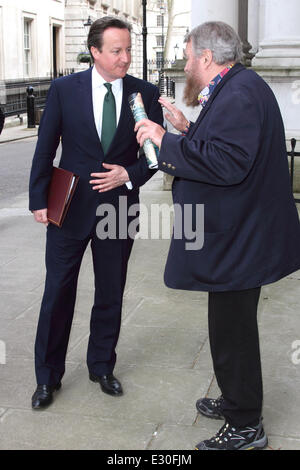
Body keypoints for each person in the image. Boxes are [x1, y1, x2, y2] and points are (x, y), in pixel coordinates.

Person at [135, 21, 300, 451]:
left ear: (206, 57)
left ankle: (246, 426)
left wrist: (162, 142)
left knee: (235, 334)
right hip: (238, 237)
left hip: (241, 242)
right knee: (228, 327)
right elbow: (227, 148)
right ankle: (235, 399)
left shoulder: (241, 93)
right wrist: (186, 130)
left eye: (189, 56)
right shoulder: (237, 87)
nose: (186, 64)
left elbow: (228, 164)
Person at [29, 16, 163, 409]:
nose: (125, 58)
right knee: (57, 292)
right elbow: (45, 147)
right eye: (117, 51)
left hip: (118, 210)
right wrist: (39, 199)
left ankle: (102, 365)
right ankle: (47, 377)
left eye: (128, 51)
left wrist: (129, 173)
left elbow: (155, 155)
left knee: (110, 291)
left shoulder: (145, 93)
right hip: (68, 208)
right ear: (95, 52)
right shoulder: (63, 90)